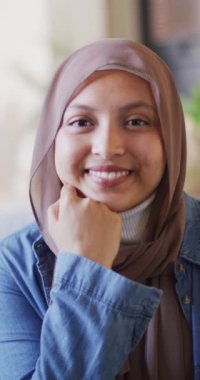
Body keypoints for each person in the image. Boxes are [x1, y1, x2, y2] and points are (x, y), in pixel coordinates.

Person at [0, 38, 199, 380]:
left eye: (137, 121)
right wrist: (86, 269)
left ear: (170, 136)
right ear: (53, 136)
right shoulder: (13, 266)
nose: (108, 147)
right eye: (81, 122)